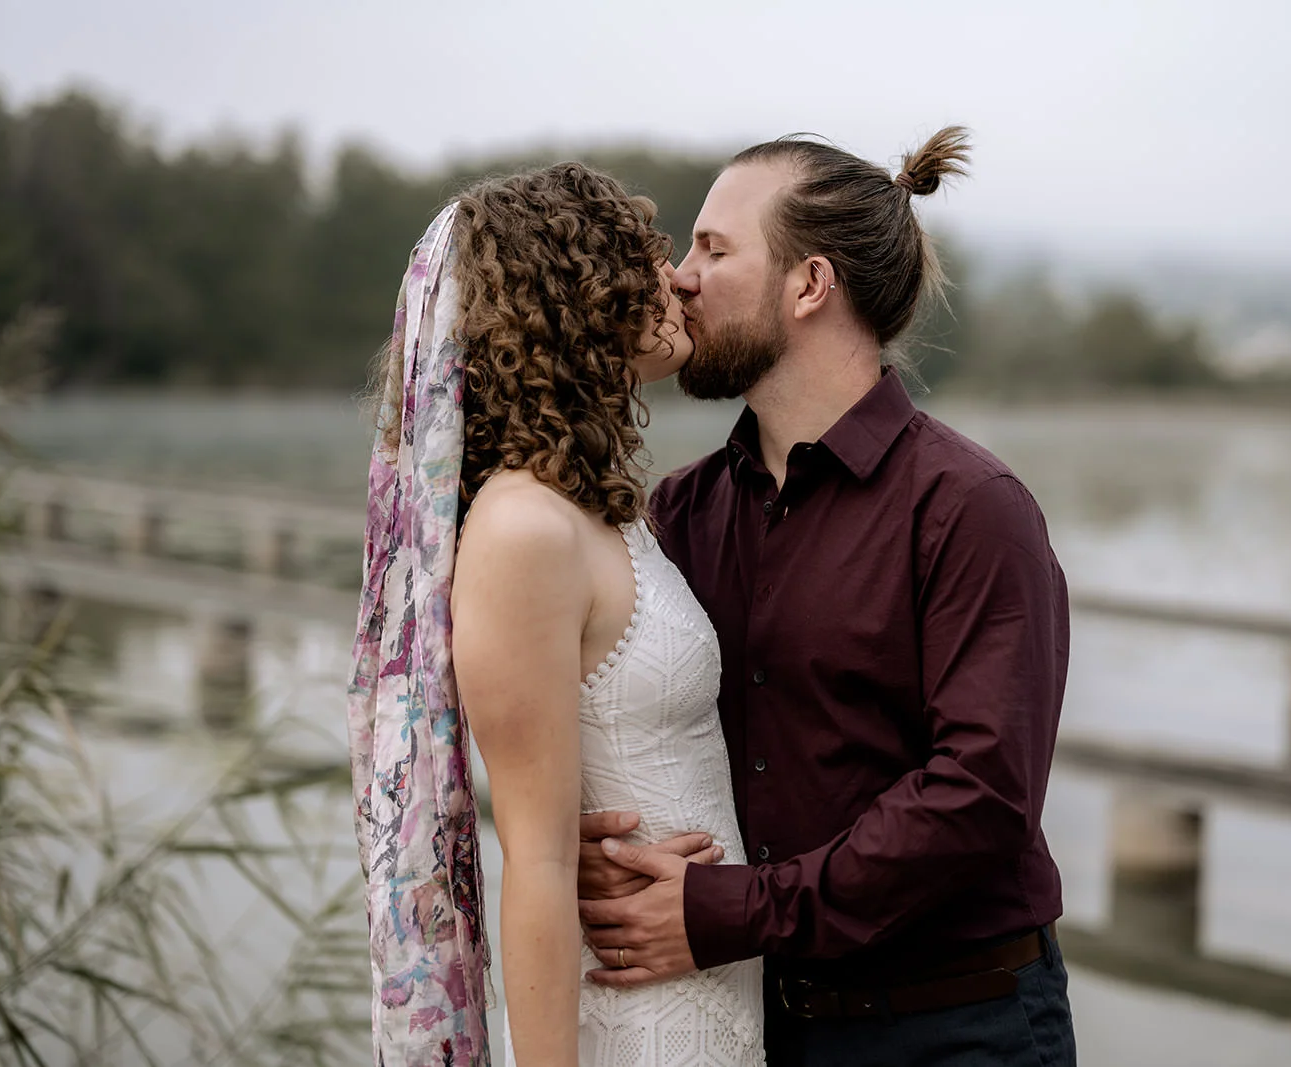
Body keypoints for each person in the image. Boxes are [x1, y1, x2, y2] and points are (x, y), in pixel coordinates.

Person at [576, 128, 1078, 1066]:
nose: (679, 278)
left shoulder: (971, 508)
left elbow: (981, 796)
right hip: (754, 1020)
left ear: (809, 286)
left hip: (952, 1028)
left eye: (713, 250)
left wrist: (733, 909)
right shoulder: (677, 511)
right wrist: (583, 827)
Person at [348, 163, 764, 1067]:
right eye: (645, 255)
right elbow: (535, 862)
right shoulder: (522, 528)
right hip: (633, 1010)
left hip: (705, 982)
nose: (675, 277)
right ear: (577, 295)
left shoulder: (601, 512)